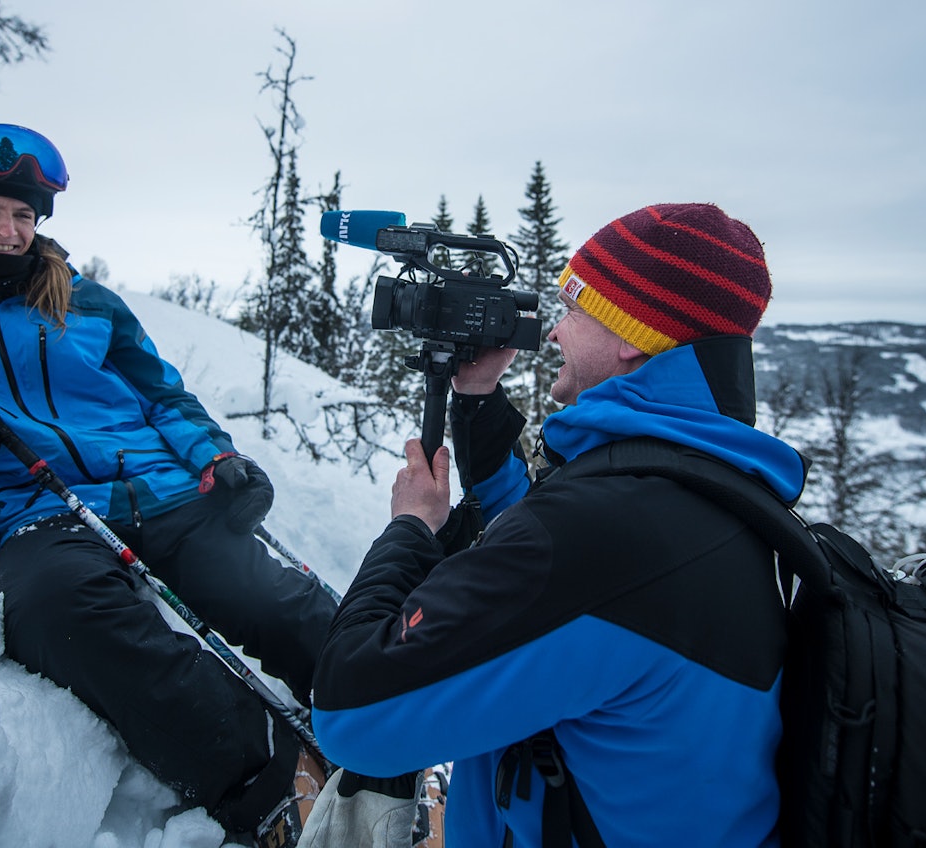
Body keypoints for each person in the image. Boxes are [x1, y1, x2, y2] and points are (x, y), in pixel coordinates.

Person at [0, 123, 335, 844]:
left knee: (277, 600)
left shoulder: (87, 305)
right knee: (62, 612)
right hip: (39, 505)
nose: (9, 230)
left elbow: (163, 397)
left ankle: (387, 710)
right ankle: (274, 785)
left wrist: (215, 459)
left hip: (160, 487)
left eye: (24, 215)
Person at [306, 203, 809, 847]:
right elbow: (557, 569)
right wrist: (478, 399)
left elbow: (353, 713)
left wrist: (409, 531)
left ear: (634, 333)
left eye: (574, 306)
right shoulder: (711, 480)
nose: (552, 332)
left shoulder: (608, 532)